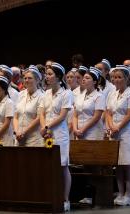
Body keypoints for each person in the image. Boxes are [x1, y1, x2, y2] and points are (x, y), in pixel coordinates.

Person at [39, 62, 73, 212]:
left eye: (50, 74)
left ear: (58, 77)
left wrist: (47, 127)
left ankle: (65, 199)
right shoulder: (45, 93)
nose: (47, 76)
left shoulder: (66, 93)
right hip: (46, 133)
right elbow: (41, 113)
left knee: (63, 166)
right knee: (48, 166)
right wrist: (42, 127)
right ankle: (50, 196)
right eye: (46, 74)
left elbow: (63, 115)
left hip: (59, 133)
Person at [106, 65, 130, 206]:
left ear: (126, 79)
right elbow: (107, 112)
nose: (116, 80)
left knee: (127, 164)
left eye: (119, 77)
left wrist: (117, 127)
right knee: (118, 165)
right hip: (114, 132)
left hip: (126, 133)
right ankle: (120, 192)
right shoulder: (111, 94)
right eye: (114, 77)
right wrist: (111, 126)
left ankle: (128, 194)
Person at [73, 67, 106, 205]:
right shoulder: (80, 95)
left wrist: (83, 129)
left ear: (95, 81)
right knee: (84, 163)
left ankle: (96, 194)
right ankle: (86, 194)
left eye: (87, 78)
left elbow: (97, 116)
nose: (84, 80)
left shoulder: (99, 96)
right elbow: (75, 114)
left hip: (93, 132)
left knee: (93, 163)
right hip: (79, 132)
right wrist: (75, 128)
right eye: (84, 78)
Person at [13, 65, 44, 147]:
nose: (26, 80)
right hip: (19, 138)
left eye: (30, 78)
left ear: (37, 80)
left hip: (33, 140)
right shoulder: (20, 95)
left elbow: (38, 118)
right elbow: (15, 116)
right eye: (25, 78)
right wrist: (17, 132)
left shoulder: (42, 96)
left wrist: (23, 132)